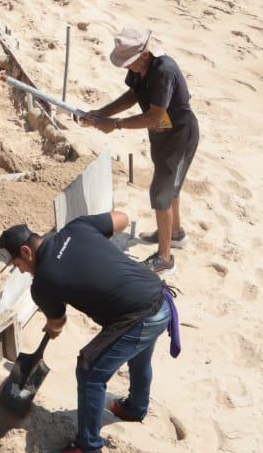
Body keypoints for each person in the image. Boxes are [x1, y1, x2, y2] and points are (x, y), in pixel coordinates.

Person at [0, 216, 178, 453]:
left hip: (138, 317)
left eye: (17, 264)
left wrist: (51, 326)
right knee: (138, 352)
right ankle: (135, 408)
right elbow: (122, 219)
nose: (21, 271)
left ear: (27, 252)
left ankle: (88, 450)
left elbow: (57, 322)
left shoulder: (43, 283)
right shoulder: (77, 227)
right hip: (156, 296)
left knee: (89, 369)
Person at [80, 28, 200, 272]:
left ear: (144, 55)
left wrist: (114, 125)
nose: (127, 67)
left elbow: (154, 115)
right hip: (162, 136)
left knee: (160, 193)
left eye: (129, 62)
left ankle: (165, 259)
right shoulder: (139, 71)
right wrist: (102, 113)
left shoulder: (164, 71)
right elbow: (133, 96)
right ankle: (174, 233)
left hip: (179, 135)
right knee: (169, 187)